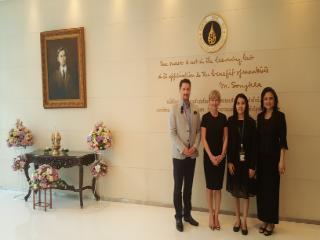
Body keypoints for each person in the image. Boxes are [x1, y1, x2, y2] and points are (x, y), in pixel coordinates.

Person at [169, 79, 201, 232]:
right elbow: (172, 133)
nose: (186, 92)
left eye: (188, 89)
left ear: (190, 90)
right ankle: (178, 217)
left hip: (192, 156)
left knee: (188, 187)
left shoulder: (196, 109)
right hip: (179, 156)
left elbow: (199, 131)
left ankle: (187, 214)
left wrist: (194, 147)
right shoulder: (174, 109)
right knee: (178, 188)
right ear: (180, 90)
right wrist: (183, 149)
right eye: (184, 89)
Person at [256, 87, 288, 236]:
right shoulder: (260, 117)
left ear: (274, 100)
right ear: (263, 101)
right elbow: (257, 140)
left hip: (274, 160)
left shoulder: (280, 116)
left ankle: (271, 223)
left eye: (270, 98)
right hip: (261, 160)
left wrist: (282, 160)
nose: (268, 101)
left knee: (272, 191)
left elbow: (283, 140)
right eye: (265, 99)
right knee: (262, 191)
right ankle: (264, 219)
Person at [226, 93, 257, 235]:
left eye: (243, 103)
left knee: (245, 193)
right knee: (236, 192)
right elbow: (227, 143)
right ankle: (237, 219)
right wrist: (229, 162)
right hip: (234, 163)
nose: (240, 106)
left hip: (247, 163)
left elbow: (254, 146)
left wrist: (253, 166)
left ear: (246, 105)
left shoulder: (251, 122)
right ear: (235, 105)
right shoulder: (230, 120)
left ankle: (244, 220)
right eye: (238, 103)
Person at [201, 90, 228, 230]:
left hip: (220, 158)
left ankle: (217, 215)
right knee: (210, 187)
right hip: (209, 157)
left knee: (218, 188)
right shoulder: (205, 118)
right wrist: (211, 156)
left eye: (216, 100)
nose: (214, 102)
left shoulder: (224, 118)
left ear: (219, 102)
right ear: (209, 101)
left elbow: (226, 138)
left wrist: (222, 155)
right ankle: (210, 215)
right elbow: (203, 140)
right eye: (212, 99)